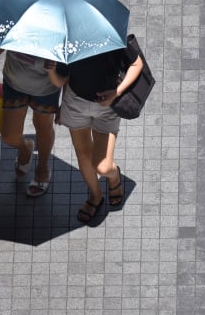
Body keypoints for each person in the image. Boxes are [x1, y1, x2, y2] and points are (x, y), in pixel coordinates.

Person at [46, 44, 143, 224]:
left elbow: (137, 65)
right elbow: (62, 80)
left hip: (107, 107)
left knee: (103, 167)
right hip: (75, 103)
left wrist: (117, 92)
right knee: (83, 155)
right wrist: (51, 71)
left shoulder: (110, 35)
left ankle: (114, 178)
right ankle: (95, 196)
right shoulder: (69, 42)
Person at [0, 42, 61, 196]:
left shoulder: (58, 29)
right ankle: (25, 148)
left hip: (46, 89)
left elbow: (68, 70)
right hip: (14, 83)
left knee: (43, 126)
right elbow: (3, 38)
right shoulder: (20, 20)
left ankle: (42, 169)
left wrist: (66, 103)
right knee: (9, 135)